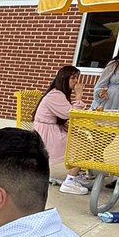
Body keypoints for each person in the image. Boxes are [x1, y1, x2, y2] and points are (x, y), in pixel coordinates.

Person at [33, 65, 90, 195]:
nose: (76, 81)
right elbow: (71, 113)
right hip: (46, 134)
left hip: (50, 129)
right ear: (64, 78)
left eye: (77, 78)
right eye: (73, 78)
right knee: (83, 145)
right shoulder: (55, 94)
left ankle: (77, 173)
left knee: (82, 139)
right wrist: (79, 96)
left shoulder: (58, 93)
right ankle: (70, 181)